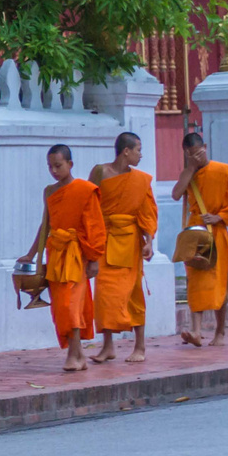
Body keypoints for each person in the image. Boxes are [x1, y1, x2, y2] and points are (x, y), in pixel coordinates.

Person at [18, 144, 104, 372]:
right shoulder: (49, 191)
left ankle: (74, 355)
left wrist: (94, 258)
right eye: (50, 166)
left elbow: (94, 225)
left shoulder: (86, 190)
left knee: (71, 305)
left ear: (70, 164)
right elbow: (45, 224)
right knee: (60, 308)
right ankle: (78, 354)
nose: (54, 171)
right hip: (55, 253)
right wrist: (31, 253)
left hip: (76, 253)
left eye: (58, 165)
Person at [88, 132, 157, 363]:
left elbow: (147, 212)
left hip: (130, 243)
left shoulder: (141, 180)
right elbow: (88, 204)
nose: (141, 154)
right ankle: (108, 346)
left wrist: (149, 241)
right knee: (105, 295)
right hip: (105, 241)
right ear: (125, 151)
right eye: (138, 149)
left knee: (134, 294)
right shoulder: (100, 172)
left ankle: (140, 347)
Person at [171, 134, 228, 348]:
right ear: (187, 153)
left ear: (205, 147)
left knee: (219, 281)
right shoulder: (189, 174)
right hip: (195, 232)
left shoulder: (224, 171)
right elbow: (176, 194)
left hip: (216, 231)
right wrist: (190, 168)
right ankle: (195, 330)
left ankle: (219, 332)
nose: (197, 156)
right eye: (192, 154)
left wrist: (219, 216)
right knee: (195, 280)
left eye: (200, 152)